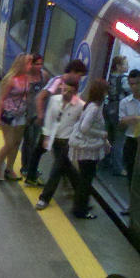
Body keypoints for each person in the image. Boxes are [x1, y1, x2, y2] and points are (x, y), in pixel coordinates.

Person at [27, 59, 89, 182]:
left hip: (60, 126)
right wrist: (41, 116)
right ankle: (32, 175)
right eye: (79, 75)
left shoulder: (71, 84)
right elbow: (40, 97)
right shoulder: (58, 81)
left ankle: (34, 175)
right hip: (50, 123)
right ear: (72, 71)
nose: (79, 79)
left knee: (54, 154)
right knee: (42, 150)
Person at [34, 78, 84, 210]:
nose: (64, 92)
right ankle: (82, 191)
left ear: (74, 91)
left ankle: (44, 198)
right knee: (67, 168)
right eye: (63, 88)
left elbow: (82, 125)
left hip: (68, 142)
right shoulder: (54, 100)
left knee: (56, 170)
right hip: (55, 140)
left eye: (68, 90)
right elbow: (49, 119)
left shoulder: (80, 105)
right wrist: (46, 136)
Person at [69, 80, 111, 219]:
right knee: (86, 181)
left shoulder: (90, 105)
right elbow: (84, 127)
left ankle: (80, 205)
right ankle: (81, 210)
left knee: (84, 179)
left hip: (85, 150)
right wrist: (102, 135)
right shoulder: (94, 108)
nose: (107, 93)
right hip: (88, 151)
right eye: (105, 90)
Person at [0, 53, 33, 181]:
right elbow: (1, 99)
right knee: (9, 143)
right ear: (21, 64)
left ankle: (9, 169)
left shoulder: (27, 78)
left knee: (16, 143)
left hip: (21, 115)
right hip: (8, 115)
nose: (30, 66)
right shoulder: (11, 79)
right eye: (28, 63)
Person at [20, 54, 52, 185]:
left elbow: (46, 93)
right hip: (26, 113)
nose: (39, 67)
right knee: (28, 141)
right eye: (36, 64)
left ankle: (30, 167)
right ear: (31, 64)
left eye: (40, 64)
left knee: (34, 140)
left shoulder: (44, 76)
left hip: (38, 113)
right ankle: (25, 166)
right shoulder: (25, 77)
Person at [118, 69, 140, 181]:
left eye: (137, 83)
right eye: (131, 84)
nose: (134, 87)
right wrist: (132, 119)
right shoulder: (125, 102)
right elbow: (121, 125)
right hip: (131, 141)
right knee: (130, 171)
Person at [103, 56, 131, 174]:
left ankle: (104, 162)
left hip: (108, 108)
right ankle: (117, 167)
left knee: (108, 137)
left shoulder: (109, 76)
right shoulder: (124, 80)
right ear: (119, 66)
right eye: (125, 64)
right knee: (119, 140)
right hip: (119, 111)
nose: (127, 67)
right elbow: (130, 91)